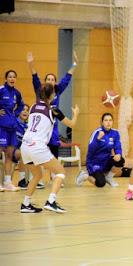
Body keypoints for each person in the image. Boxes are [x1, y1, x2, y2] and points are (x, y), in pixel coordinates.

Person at [20, 83, 79, 213]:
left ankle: (25, 204)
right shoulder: (53, 110)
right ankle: (51, 201)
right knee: (60, 172)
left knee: (37, 175)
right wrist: (76, 114)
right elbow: (72, 124)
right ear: (51, 95)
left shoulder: (33, 106)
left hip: (25, 146)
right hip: (37, 146)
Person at [27, 52, 78, 185]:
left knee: (53, 147)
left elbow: (67, 78)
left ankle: (56, 175)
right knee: (40, 148)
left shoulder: (58, 90)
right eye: (48, 79)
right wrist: (31, 64)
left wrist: (74, 64)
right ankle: (41, 178)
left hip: (53, 123)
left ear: (55, 83)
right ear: (45, 82)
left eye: (52, 79)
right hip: (40, 126)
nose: (50, 81)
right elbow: (34, 77)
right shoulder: (40, 90)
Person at [75, 113, 124, 188]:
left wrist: (118, 154)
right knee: (101, 183)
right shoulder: (97, 132)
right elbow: (90, 149)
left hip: (106, 161)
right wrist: (98, 139)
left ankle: (109, 177)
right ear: (102, 122)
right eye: (106, 120)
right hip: (94, 162)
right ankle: (85, 176)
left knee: (120, 160)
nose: (108, 122)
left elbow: (117, 146)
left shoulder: (115, 133)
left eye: (110, 120)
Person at [0, 70, 24, 192]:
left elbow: (21, 105)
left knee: (9, 155)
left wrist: (16, 113)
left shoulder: (17, 93)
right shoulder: (1, 90)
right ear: (5, 78)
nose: (12, 79)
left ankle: (8, 182)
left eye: (14, 77)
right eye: (10, 77)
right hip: (1, 127)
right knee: (0, 154)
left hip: (12, 128)